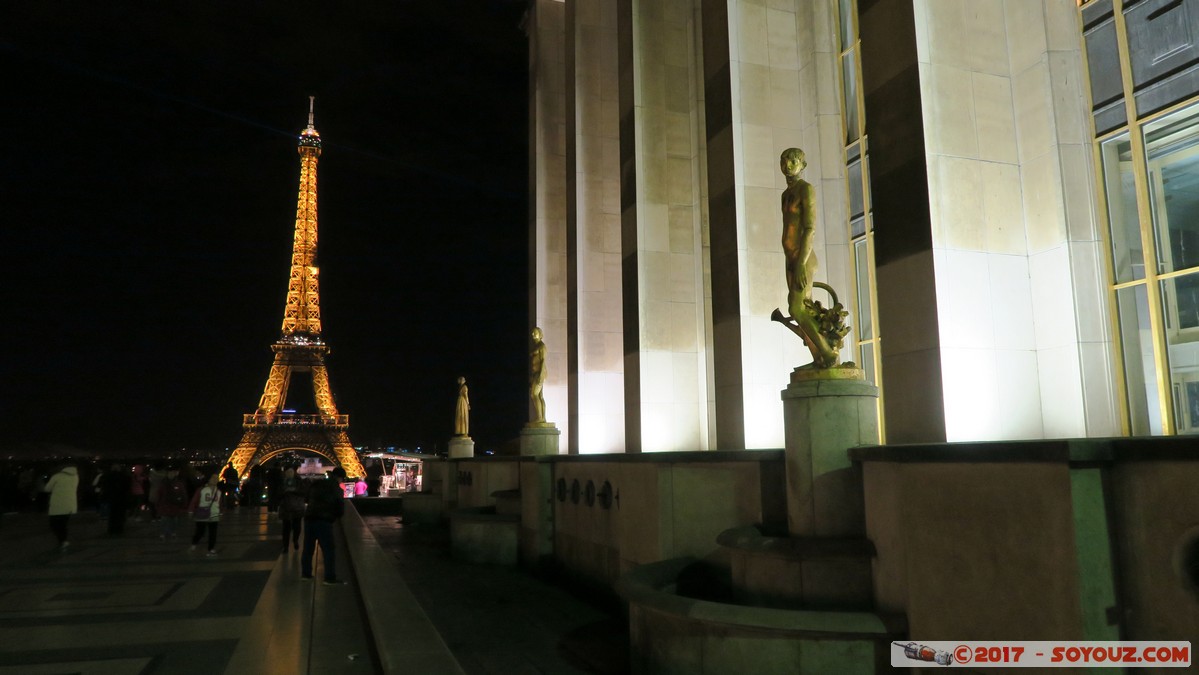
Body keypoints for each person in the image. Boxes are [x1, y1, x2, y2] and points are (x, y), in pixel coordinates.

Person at [779, 147, 839, 368]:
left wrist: (802, 263)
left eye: (793, 161)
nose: (787, 165)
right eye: (784, 161)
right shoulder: (785, 195)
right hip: (791, 259)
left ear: (802, 165)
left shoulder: (806, 189)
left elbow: (810, 228)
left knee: (796, 309)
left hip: (802, 259)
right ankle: (819, 356)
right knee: (799, 309)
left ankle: (827, 354)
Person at [301, 467, 345, 584]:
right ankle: (329, 577)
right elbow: (340, 506)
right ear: (340, 478)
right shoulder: (336, 488)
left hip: (309, 518)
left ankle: (306, 574)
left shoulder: (317, 484)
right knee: (328, 549)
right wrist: (335, 517)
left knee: (308, 548)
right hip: (324, 520)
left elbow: (306, 498)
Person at [44, 463, 79, 551]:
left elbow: (47, 489)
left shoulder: (57, 476)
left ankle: (63, 541)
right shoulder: (76, 476)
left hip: (58, 504)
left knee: (54, 524)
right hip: (70, 504)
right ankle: (63, 541)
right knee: (63, 524)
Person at [189, 473, 222, 557]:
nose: (215, 479)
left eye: (217, 478)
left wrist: (221, 512)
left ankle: (211, 549)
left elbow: (220, 503)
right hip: (202, 513)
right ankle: (194, 543)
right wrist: (191, 511)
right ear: (208, 479)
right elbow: (195, 500)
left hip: (214, 514)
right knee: (200, 531)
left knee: (213, 533)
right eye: (213, 478)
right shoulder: (202, 489)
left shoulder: (218, 491)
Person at [155, 466, 189, 539]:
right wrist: (158, 504)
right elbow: (159, 494)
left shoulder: (179, 483)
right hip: (165, 505)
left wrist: (184, 504)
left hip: (175, 505)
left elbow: (183, 494)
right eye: (170, 473)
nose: (171, 474)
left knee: (174, 521)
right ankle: (163, 533)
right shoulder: (163, 483)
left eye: (173, 473)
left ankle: (173, 532)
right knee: (164, 520)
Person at [99, 463, 133, 535]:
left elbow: (104, 487)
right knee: (120, 515)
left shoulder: (107, 476)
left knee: (112, 514)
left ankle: (111, 529)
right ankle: (119, 529)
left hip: (112, 498)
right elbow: (128, 488)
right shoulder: (125, 477)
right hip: (122, 498)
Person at [278, 467, 305, 553]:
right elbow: (303, 492)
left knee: (287, 528)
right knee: (294, 526)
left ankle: (287, 545)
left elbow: (278, 494)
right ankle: (293, 542)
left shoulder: (282, 480)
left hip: (287, 506)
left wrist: (289, 491)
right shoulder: (299, 480)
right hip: (296, 507)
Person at [529, 326, 547, 423]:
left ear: (540, 335)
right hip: (535, 373)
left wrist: (541, 374)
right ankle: (542, 418)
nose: (533, 334)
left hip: (539, 373)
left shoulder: (541, 346)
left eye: (535, 333)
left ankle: (540, 418)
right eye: (532, 333)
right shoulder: (536, 346)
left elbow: (543, 360)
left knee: (534, 394)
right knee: (539, 396)